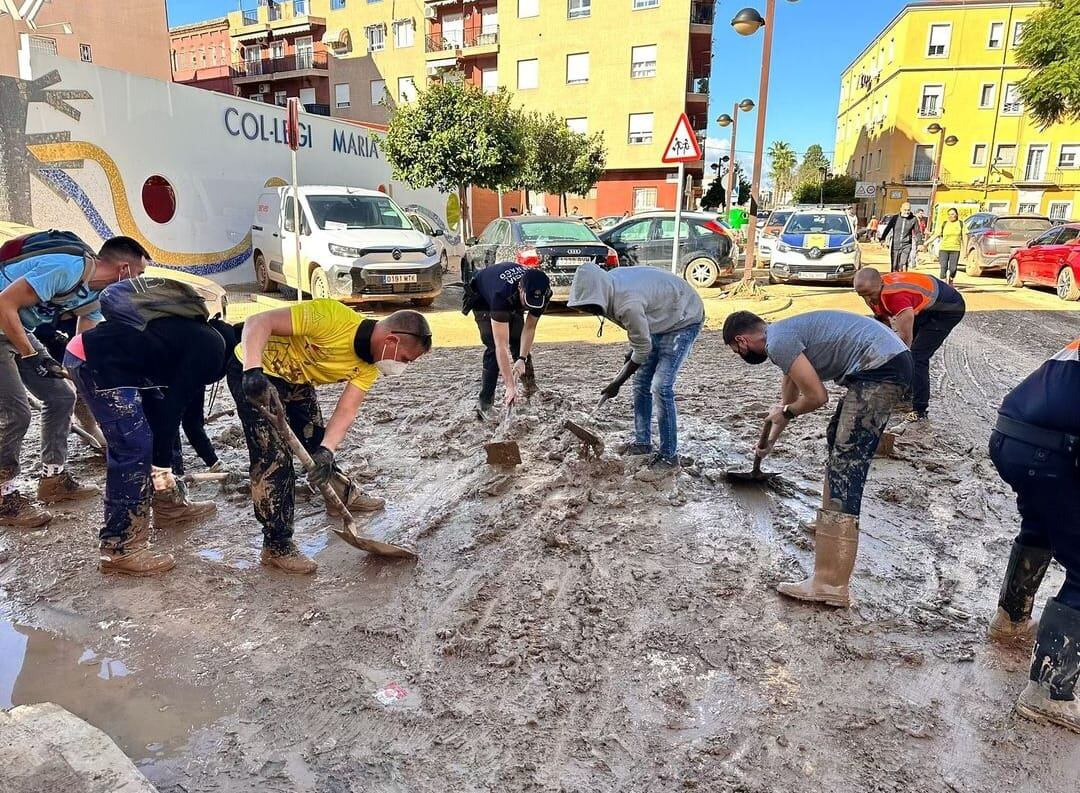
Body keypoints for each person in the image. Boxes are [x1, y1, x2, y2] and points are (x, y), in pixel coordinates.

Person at [723, 310, 912, 608]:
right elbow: (788, 397)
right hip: (883, 364)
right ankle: (828, 523)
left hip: (881, 369)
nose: (740, 355)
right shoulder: (782, 337)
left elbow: (816, 397)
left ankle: (830, 583)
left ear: (742, 340)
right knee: (836, 435)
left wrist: (785, 413)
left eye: (736, 351)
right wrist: (771, 440)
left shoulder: (779, 342)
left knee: (846, 464)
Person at [229, 300, 432, 574]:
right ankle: (276, 545)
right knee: (274, 457)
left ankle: (340, 497)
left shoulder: (369, 366)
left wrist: (327, 451)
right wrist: (252, 371)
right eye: (405, 359)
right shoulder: (331, 317)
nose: (402, 367)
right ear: (391, 340)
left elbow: (346, 411)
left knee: (318, 442)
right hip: (254, 370)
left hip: (296, 378)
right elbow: (257, 322)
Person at [66, 279, 231, 574]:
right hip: (98, 362)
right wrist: (159, 465)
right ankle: (120, 547)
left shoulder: (197, 340)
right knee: (134, 449)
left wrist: (164, 466)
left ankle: (168, 505)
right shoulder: (210, 348)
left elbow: (181, 414)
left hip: (121, 365)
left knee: (157, 439)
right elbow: (173, 410)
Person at [0, 235, 150, 528]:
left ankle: (53, 479)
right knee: (16, 413)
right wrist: (32, 356)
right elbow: (4, 304)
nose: (139, 283)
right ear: (123, 269)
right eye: (139, 275)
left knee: (62, 397)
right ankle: (3, 497)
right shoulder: (67, 268)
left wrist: (89, 374)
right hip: (3, 320)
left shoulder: (96, 295)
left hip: (18, 328)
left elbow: (83, 340)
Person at [987, 339, 1080, 733]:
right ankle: (1048, 692)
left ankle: (1010, 619)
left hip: (1011, 438)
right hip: (1050, 451)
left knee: (1040, 525)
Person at [567, 262, 704, 474]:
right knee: (641, 381)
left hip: (683, 317)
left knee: (661, 386)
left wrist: (616, 383)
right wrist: (632, 356)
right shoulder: (609, 286)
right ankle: (643, 443)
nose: (589, 311)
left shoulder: (626, 303)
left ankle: (669, 456)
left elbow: (642, 349)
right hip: (660, 315)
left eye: (590, 307)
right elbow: (639, 342)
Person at [853, 268, 965, 430]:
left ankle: (919, 410)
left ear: (881, 284)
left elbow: (904, 342)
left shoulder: (896, 297)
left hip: (948, 308)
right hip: (927, 304)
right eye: (863, 295)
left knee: (917, 356)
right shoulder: (872, 291)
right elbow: (884, 325)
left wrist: (889, 369)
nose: (869, 299)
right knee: (902, 355)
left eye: (871, 294)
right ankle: (907, 393)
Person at [462, 261, 551, 419]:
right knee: (492, 346)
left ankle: (531, 391)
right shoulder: (501, 295)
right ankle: (485, 404)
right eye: (527, 301)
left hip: (512, 299)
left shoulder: (543, 292)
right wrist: (510, 385)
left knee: (518, 342)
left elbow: (529, 327)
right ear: (520, 289)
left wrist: (521, 359)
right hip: (483, 298)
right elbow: (500, 346)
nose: (530, 306)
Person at [878, 203, 923, 272]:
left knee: (903, 263)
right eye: (905, 210)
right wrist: (882, 238)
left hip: (906, 245)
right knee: (894, 265)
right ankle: (894, 280)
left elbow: (917, 232)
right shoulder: (895, 218)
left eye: (908, 210)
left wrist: (920, 243)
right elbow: (888, 228)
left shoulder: (913, 219)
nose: (907, 212)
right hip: (895, 245)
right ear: (901, 209)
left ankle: (903, 278)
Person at [927, 207, 964, 285]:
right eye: (949, 214)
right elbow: (936, 235)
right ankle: (943, 285)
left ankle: (951, 280)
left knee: (953, 269)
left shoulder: (961, 224)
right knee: (943, 267)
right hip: (944, 249)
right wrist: (926, 243)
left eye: (953, 214)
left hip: (955, 249)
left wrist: (966, 249)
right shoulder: (944, 224)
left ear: (956, 215)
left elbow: (965, 237)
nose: (951, 216)